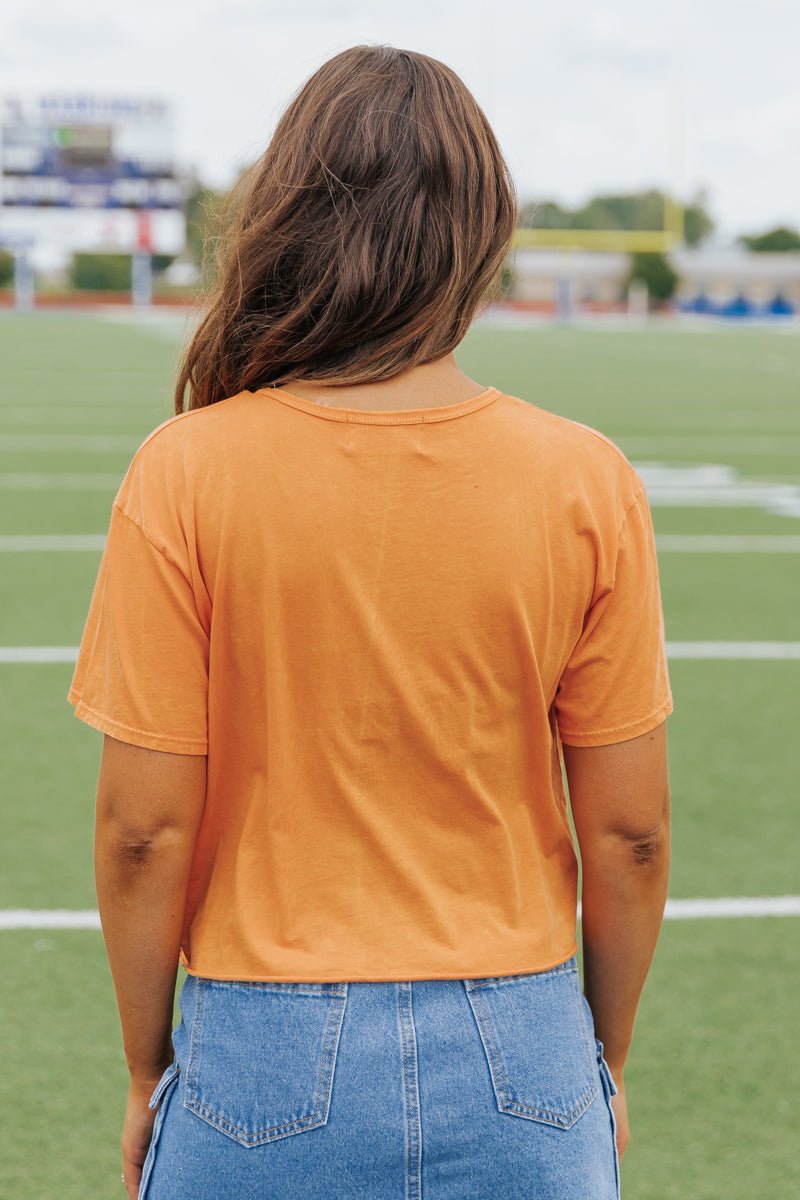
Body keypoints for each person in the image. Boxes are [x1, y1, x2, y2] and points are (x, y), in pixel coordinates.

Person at [67, 43, 672, 1200]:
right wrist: (598, 1060)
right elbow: (629, 834)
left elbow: (143, 831)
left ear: (283, 216)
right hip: (527, 1044)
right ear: (482, 230)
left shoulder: (187, 468)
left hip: (257, 1049)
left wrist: (149, 1068)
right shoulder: (584, 479)